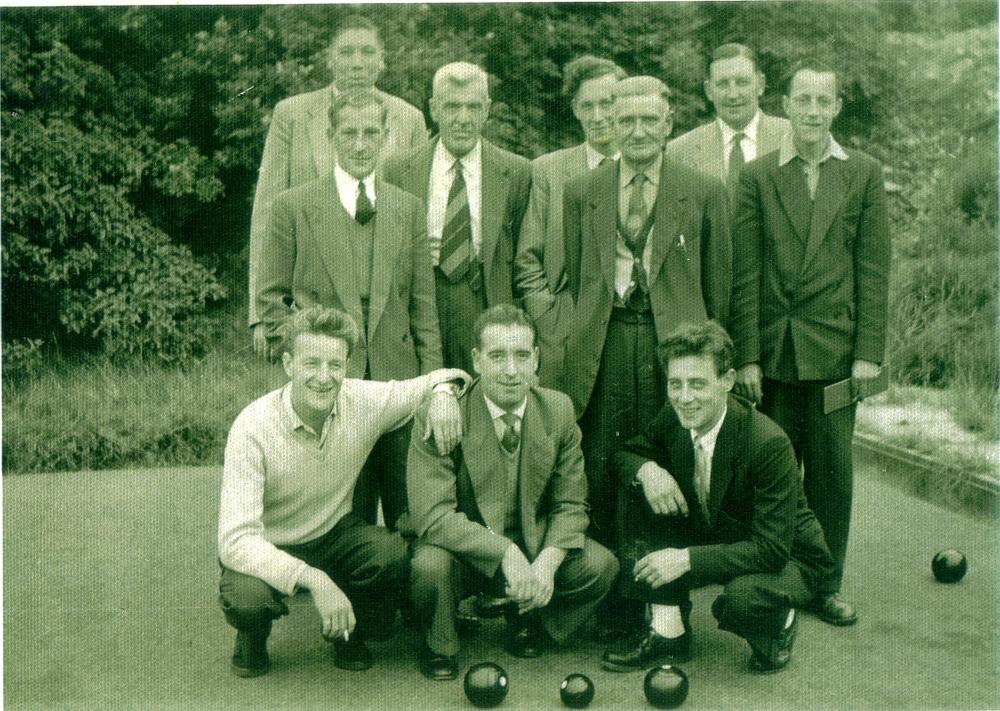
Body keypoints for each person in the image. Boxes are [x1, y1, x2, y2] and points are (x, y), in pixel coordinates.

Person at [217, 306, 468, 678]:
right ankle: (252, 637)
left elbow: (446, 376)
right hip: (270, 542)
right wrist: (314, 579)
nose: (323, 377)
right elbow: (235, 542)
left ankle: (349, 630)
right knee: (248, 600)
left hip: (334, 534)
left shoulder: (361, 400)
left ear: (347, 366)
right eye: (311, 363)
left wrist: (445, 395)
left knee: (391, 555)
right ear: (288, 364)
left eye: (335, 365)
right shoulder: (252, 426)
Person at [731, 60, 889, 627]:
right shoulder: (756, 177)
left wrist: (868, 353)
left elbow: (873, 270)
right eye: (804, 100)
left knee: (830, 475)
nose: (814, 112)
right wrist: (746, 356)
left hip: (835, 358)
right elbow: (745, 274)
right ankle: (772, 581)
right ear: (787, 105)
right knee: (774, 474)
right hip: (772, 356)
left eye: (824, 101)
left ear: (837, 107)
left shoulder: (865, 174)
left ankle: (825, 584)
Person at [561, 75, 736, 563]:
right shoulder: (581, 191)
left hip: (675, 346)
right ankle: (610, 585)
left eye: (648, 120)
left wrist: (708, 358)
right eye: (626, 121)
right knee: (605, 455)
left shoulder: (703, 191)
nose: (637, 131)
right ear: (610, 125)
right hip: (608, 338)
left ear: (668, 124)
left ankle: (664, 588)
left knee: (669, 453)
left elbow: (718, 287)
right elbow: (580, 279)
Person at [602, 321, 839, 674]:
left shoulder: (767, 443)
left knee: (741, 601)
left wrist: (685, 559)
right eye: (675, 384)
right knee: (641, 489)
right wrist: (647, 470)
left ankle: (780, 624)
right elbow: (626, 454)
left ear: (727, 381)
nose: (685, 397)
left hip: (788, 556)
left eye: (698, 384)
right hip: (724, 532)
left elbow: (771, 550)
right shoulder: (674, 416)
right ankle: (669, 633)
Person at [255, 89, 445, 530]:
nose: (360, 144)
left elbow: (424, 312)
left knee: (410, 515)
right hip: (331, 388)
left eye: (371, 133)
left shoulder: (407, 208)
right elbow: (270, 299)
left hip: (397, 382)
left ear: (386, 137)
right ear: (330, 137)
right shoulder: (294, 207)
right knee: (345, 520)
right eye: (349, 133)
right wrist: (310, 363)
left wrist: (433, 387)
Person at [406, 305, 618, 680]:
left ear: (536, 359)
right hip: (467, 553)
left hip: (531, 544)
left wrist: (548, 563)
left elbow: (571, 503)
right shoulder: (442, 414)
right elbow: (432, 515)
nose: (510, 370)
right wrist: (503, 551)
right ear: (476, 360)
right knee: (428, 566)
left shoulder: (557, 409)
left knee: (600, 566)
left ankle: (531, 621)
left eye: (522, 355)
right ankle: (441, 643)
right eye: (497, 356)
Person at [248, 14, 427, 356]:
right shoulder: (293, 114)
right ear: (329, 59)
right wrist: (260, 314)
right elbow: (266, 214)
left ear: (382, 59)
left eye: (367, 52)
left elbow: (415, 215)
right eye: (346, 52)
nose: (357, 62)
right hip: (311, 301)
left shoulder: (409, 119)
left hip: (382, 304)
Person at [383, 62, 531, 374]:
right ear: (434, 109)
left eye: (473, 107)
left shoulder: (516, 171)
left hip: (481, 295)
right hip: (422, 294)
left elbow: (519, 251)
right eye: (452, 107)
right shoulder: (399, 170)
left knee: (480, 392)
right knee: (424, 390)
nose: (462, 119)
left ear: (487, 110)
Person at [514, 55, 626, 386]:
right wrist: (549, 319)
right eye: (586, 106)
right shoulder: (549, 170)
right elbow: (527, 258)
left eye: (607, 104)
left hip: (627, 323)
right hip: (565, 328)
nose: (598, 116)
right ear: (575, 109)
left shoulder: (649, 168)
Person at [666, 43, 790, 199]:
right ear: (709, 91)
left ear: (760, 84)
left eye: (742, 82)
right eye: (723, 84)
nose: (733, 94)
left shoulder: (793, 138)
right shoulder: (679, 152)